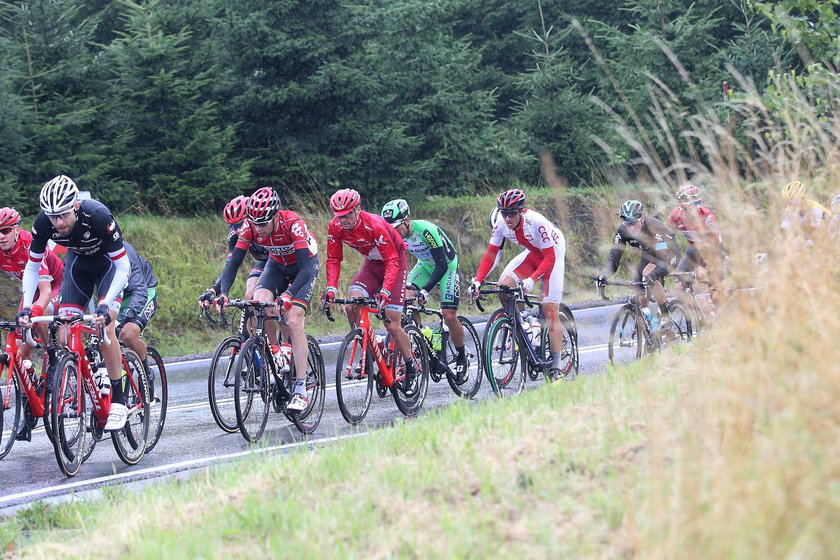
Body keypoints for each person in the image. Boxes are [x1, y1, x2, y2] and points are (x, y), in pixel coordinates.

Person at [16, 175, 132, 431]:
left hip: (108, 267)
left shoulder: (99, 215)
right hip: (77, 266)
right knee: (66, 329)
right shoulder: (44, 222)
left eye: (62, 216)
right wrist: (26, 305)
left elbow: (123, 265)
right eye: (52, 217)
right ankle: (89, 369)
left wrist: (105, 302)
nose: (57, 223)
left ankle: (119, 399)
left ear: (76, 206)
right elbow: (32, 268)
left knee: (107, 328)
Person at [214, 187, 319, 412]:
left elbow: (305, 270)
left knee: (292, 318)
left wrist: (289, 295)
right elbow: (233, 265)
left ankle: (301, 389)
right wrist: (222, 293)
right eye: (255, 223)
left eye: (263, 224)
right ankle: (275, 351)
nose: (258, 229)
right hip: (276, 265)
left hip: (304, 267)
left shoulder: (293, 224)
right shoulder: (251, 227)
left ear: (275, 216)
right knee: (257, 301)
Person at [322, 188, 420, 391]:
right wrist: (331, 287)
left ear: (358, 209)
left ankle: (411, 365)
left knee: (392, 322)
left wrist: (385, 291)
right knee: (351, 305)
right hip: (372, 265)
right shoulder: (336, 227)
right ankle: (368, 345)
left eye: (348, 214)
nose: (343, 220)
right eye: (339, 216)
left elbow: (392, 261)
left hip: (394, 263)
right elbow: (333, 259)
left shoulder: (374, 224)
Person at [468, 189, 569, 379]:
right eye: (504, 213)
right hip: (532, 253)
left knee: (549, 308)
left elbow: (549, 258)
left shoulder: (536, 222)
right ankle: (523, 324)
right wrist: (478, 280)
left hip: (553, 253)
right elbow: (492, 254)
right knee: (504, 286)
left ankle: (556, 367)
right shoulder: (500, 223)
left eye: (512, 214)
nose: (507, 218)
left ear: (521, 211)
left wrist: (531, 280)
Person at [380, 199, 468, 380]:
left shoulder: (426, 231)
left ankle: (461, 357)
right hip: (425, 266)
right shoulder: (395, 235)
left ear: (407, 221)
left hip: (447, 267)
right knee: (402, 300)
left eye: (396, 227)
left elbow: (442, 264)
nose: (393, 233)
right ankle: (420, 334)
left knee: (449, 315)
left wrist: (426, 290)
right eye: (390, 229)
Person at [0, 207, 64, 441]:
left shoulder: (30, 244)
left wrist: (32, 313)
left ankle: (53, 352)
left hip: (56, 285)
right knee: (20, 354)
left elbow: (45, 291)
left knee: (41, 312)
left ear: (16, 229)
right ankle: (30, 411)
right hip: (30, 290)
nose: (1, 236)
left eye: (5, 230)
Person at [596, 200, 681, 331]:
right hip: (649, 255)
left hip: (669, 253)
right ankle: (650, 331)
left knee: (648, 274)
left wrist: (653, 275)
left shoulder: (654, 227)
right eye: (627, 224)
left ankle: (665, 315)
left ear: (642, 219)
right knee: (640, 293)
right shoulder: (623, 230)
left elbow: (663, 259)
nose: (631, 228)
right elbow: (614, 257)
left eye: (634, 223)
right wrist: (604, 275)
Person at [198, 195, 269, 306]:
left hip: (286, 263)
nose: (239, 230)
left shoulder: (267, 228)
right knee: (250, 295)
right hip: (265, 263)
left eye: (241, 224)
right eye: (234, 227)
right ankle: (255, 323)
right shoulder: (234, 237)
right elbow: (230, 266)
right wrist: (214, 290)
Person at [666, 184, 726, 308]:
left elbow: (716, 243)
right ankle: (700, 313)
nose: (697, 206)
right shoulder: (676, 215)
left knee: (715, 292)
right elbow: (668, 237)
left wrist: (704, 265)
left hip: (713, 251)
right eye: (693, 203)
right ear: (682, 204)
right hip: (693, 250)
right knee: (679, 287)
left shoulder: (707, 216)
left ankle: (720, 320)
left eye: (698, 201)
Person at [115, 241, 158, 399]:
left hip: (143, 292)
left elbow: (139, 292)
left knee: (128, 334)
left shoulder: (124, 250)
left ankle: (146, 374)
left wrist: (122, 319)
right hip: (117, 298)